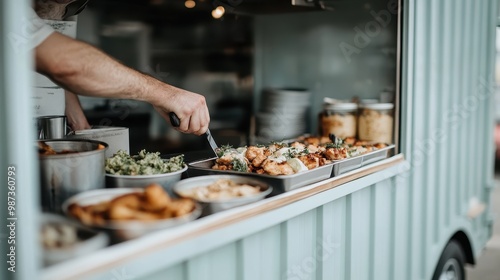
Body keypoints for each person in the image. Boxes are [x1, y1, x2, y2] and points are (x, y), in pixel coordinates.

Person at [30, 7, 210, 135]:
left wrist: (78, 121)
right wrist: (165, 95)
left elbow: (53, 67)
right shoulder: (10, 12)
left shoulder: (66, 7)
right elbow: (64, 63)